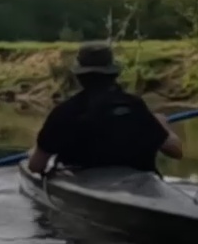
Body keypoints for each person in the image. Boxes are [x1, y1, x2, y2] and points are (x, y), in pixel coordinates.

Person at [25, 42, 183, 175]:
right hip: (141, 184)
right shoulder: (135, 106)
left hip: (85, 186)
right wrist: (163, 125)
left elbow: (35, 167)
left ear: (79, 77)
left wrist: (34, 151)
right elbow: (175, 151)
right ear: (113, 74)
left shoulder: (65, 112)